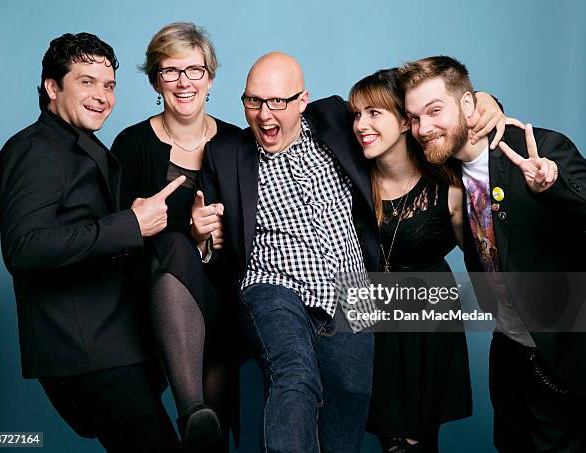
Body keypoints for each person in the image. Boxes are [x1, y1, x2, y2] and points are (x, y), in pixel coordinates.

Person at [192, 52, 504, 453]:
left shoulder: (338, 121)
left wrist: (484, 101)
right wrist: (202, 238)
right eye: (253, 101)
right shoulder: (227, 153)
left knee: (356, 396)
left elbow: (417, 100)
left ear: (302, 101)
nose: (265, 114)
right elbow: (217, 248)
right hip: (275, 283)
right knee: (294, 374)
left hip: (369, 298)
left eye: (277, 102)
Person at [0, 32, 184, 452]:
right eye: (86, 81)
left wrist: (126, 220)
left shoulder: (81, 146)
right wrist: (129, 224)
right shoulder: (34, 150)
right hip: (86, 350)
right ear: (52, 87)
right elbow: (24, 247)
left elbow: (81, 231)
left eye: (109, 84)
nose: (102, 95)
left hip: (113, 344)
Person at [400, 55, 586, 452]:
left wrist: (552, 188)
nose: (423, 128)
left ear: (467, 105)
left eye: (434, 111)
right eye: (414, 118)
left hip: (561, 357)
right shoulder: (441, 171)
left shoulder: (538, 149)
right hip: (509, 357)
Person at [110, 22, 240, 452]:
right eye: (170, 71)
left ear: (211, 77)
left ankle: (196, 415)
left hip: (225, 306)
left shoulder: (239, 145)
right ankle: (192, 409)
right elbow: (117, 242)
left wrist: (213, 241)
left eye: (194, 70)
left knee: (211, 445)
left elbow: (260, 237)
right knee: (170, 242)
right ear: (154, 80)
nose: (184, 82)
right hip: (155, 309)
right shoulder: (131, 146)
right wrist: (186, 234)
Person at [349, 69, 472, 452]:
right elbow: (318, 114)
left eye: (374, 113)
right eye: (356, 114)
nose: (361, 125)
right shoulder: (351, 178)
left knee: (414, 444)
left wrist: (485, 104)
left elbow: (490, 257)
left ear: (405, 121)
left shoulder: (449, 188)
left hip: (425, 331)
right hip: (369, 324)